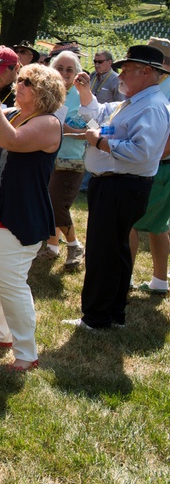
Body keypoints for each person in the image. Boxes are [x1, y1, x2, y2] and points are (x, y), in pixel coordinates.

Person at [0, 63, 65, 371]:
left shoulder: (47, 122)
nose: (19, 84)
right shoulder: (12, 113)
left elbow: (12, 141)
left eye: (27, 81)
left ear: (44, 91)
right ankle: (2, 334)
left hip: (17, 214)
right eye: (19, 79)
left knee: (11, 282)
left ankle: (27, 354)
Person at [66, 45, 170, 330]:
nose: (121, 75)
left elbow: (142, 152)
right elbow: (107, 120)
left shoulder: (151, 106)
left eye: (127, 70)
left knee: (103, 253)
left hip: (122, 186)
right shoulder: (134, 102)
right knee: (116, 250)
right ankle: (112, 312)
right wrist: (99, 131)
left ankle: (97, 317)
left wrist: (99, 142)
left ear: (147, 72)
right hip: (116, 185)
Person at [39, 50, 92, 270]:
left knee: (57, 204)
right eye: (60, 68)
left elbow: (93, 130)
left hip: (72, 160)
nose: (64, 73)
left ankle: (75, 245)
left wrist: (68, 130)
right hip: (47, 158)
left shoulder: (83, 96)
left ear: (77, 73)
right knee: (48, 203)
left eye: (70, 69)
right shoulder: (47, 93)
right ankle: (52, 247)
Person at [130, 39, 170, 294]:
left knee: (129, 223)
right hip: (162, 164)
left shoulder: (163, 90)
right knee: (159, 226)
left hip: (157, 165)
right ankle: (159, 281)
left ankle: (123, 279)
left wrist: (151, 158)